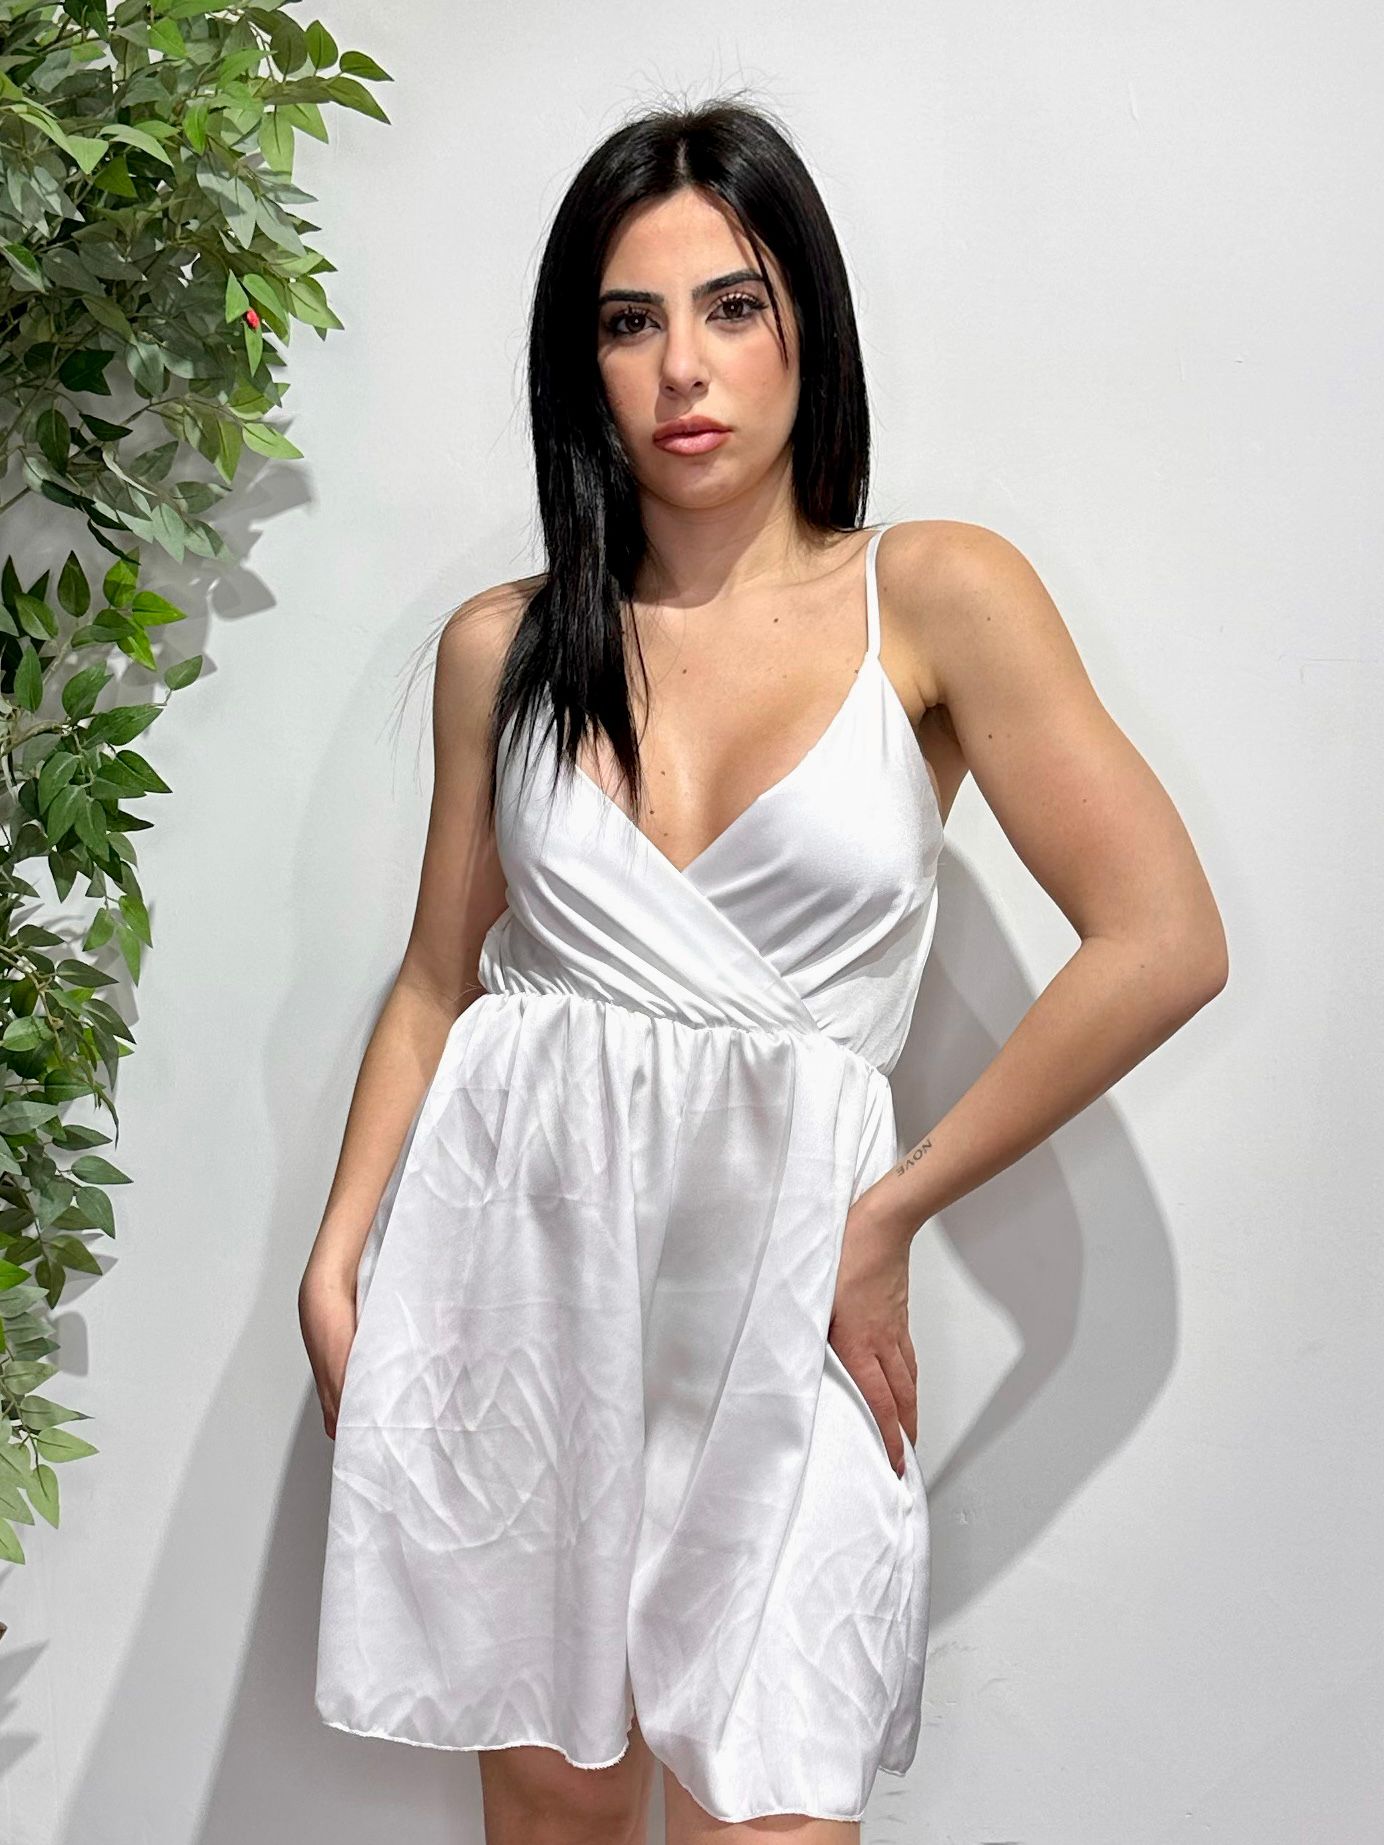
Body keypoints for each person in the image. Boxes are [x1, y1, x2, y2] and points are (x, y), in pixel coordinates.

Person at [298, 96, 1228, 1845]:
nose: (684, 369)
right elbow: (437, 979)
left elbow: (1166, 937)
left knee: (772, 1808)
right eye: (629, 321)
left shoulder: (936, 596)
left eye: (733, 306)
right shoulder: (509, 648)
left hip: (791, 1295)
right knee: (557, 1807)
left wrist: (892, 1212)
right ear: (580, 363)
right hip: (523, 1292)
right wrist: (338, 1259)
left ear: (810, 318)